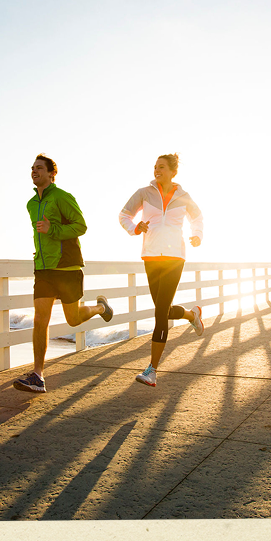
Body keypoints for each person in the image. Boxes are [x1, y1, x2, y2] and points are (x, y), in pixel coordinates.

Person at [13, 154, 113, 393]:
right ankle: (38, 375)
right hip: (44, 269)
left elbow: (81, 226)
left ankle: (101, 308)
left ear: (51, 173)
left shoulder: (62, 197)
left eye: (39, 168)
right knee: (40, 320)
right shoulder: (31, 204)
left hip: (67, 268)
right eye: (32, 168)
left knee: (73, 319)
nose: (34, 171)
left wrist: (52, 229)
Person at [119, 153, 205, 387]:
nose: (157, 170)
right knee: (162, 309)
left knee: (159, 314)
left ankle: (152, 370)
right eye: (155, 167)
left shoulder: (183, 196)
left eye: (162, 167)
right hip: (150, 256)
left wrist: (196, 235)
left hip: (174, 257)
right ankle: (190, 314)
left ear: (173, 171)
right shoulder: (143, 193)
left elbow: (197, 218)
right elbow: (124, 215)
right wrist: (135, 227)